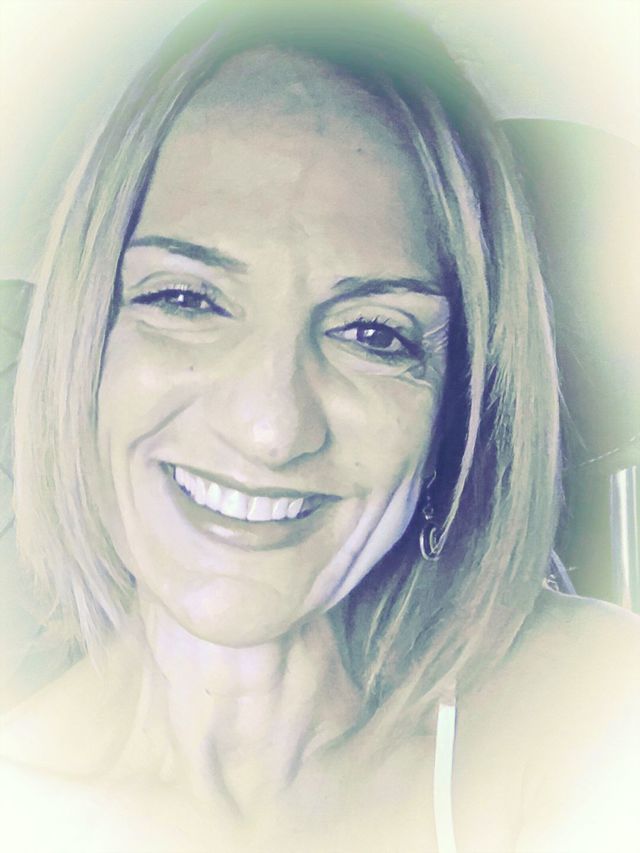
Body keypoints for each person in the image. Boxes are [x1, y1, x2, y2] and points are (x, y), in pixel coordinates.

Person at [1, 2, 638, 850]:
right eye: (186, 298)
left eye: (373, 334)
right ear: (85, 347)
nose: (270, 427)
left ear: (451, 413)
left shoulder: (591, 716)